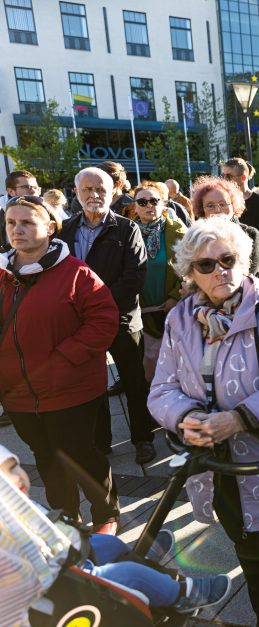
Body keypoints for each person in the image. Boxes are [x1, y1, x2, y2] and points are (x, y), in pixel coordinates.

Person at [148, 218, 259, 626]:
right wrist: (187, 418)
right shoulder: (181, 318)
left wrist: (238, 419)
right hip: (215, 467)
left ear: (244, 261)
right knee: (251, 561)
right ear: (190, 272)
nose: (219, 271)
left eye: (228, 259)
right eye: (205, 265)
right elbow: (161, 389)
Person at [0, 444, 232, 624]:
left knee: (107, 544)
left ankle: (141, 560)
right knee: (130, 575)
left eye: (14, 467)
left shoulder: (19, 507)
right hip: (51, 589)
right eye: (4, 484)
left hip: (60, 557)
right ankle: (183, 595)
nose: (16, 478)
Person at [0, 195, 121, 533]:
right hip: (19, 395)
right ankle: (67, 515)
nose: (17, 229)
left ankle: (105, 515)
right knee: (47, 458)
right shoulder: (1, 274)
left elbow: (103, 321)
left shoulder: (76, 273)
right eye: (11, 222)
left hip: (71, 390)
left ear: (50, 228)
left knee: (82, 455)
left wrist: (64, 359)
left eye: (27, 222)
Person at [59, 167, 156, 465]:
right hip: (80, 324)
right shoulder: (65, 231)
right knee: (92, 384)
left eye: (101, 189)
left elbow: (134, 277)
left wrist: (97, 307)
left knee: (135, 383)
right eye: (87, 189)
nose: (94, 194)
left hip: (122, 321)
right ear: (76, 192)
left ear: (113, 191)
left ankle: (143, 439)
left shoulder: (127, 229)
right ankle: (101, 442)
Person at [131, 182, 187, 381]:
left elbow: (188, 268)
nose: (149, 206)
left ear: (163, 203)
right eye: (142, 201)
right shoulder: (127, 232)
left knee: (177, 364)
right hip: (140, 312)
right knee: (148, 368)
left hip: (173, 309)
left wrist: (175, 297)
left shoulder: (177, 230)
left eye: (154, 201)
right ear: (135, 206)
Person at [190, 175, 259, 279]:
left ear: (233, 205)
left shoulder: (250, 234)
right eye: (210, 205)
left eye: (222, 204)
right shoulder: (195, 238)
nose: (217, 210)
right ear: (202, 209)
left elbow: (249, 272)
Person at [1, 170, 41, 251]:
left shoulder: (48, 210)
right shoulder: (1, 214)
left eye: (36, 188)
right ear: (11, 191)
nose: (33, 191)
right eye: (27, 187)